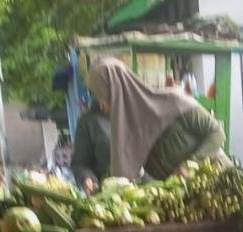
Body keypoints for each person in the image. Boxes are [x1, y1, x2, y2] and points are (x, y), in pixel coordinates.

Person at [86, 57, 226, 180]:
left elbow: (217, 134)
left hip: (222, 184)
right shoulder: (127, 131)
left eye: (102, 97)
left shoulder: (174, 101)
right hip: (186, 198)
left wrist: (189, 164)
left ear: (117, 92)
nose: (102, 105)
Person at [71, 101, 111, 193]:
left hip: (145, 190)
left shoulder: (137, 114)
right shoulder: (88, 122)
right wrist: (87, 177)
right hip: (106, 194)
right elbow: (80, 163)